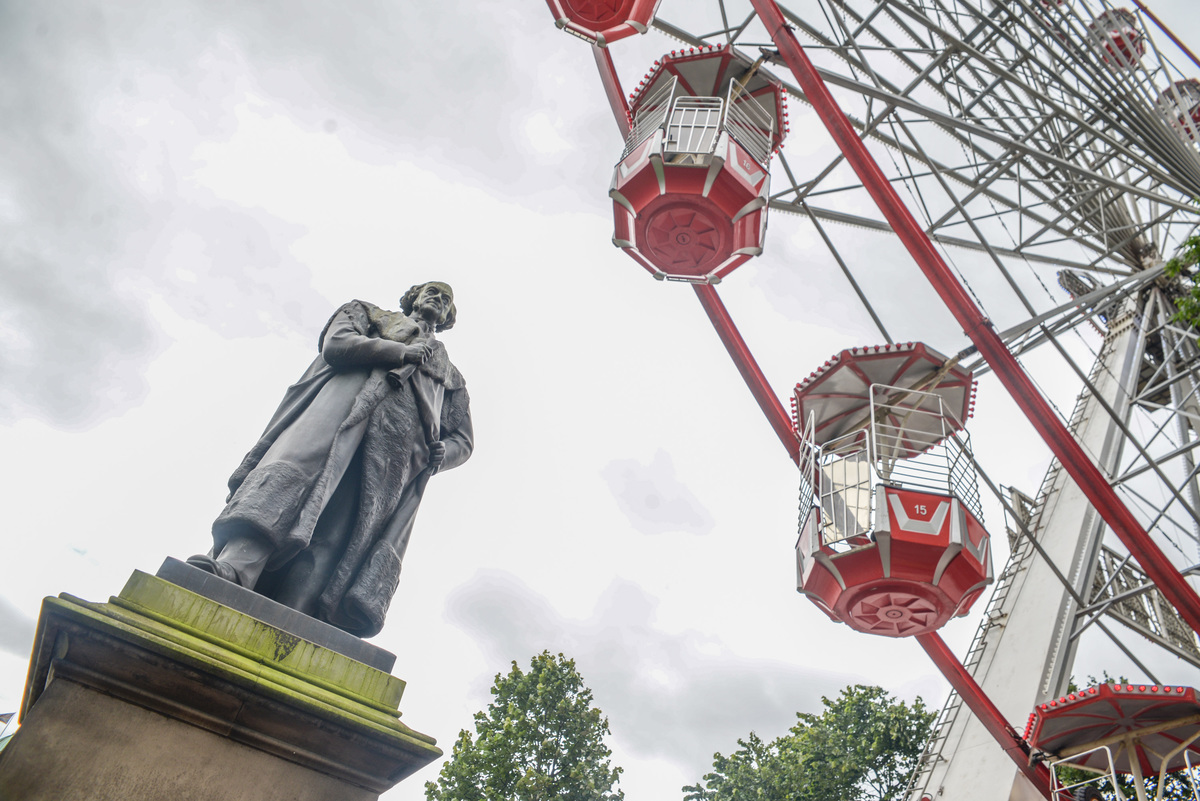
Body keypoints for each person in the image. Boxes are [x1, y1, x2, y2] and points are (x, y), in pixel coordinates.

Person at [187, 281, 473, 637]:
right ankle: (235, 568)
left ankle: (297, 613)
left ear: (448, 317)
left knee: (341, 533)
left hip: (391, 460)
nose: (438, 299)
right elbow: (337, 345)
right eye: (432, 291)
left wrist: (446, 454)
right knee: (287, 489)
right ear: (413, 297)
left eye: (446, 299)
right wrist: (400, 353)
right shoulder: (369, 314)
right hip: (335, 420)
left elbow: (463, 438)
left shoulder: (451, 378)